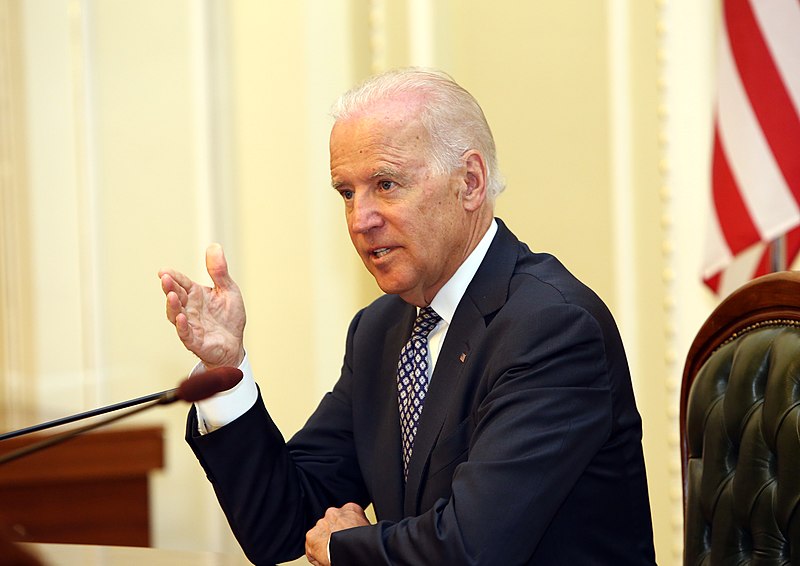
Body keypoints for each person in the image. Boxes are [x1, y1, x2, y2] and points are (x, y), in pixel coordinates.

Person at [159, 68, 656, 565]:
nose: (360, 219)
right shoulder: (381, 331)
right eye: (347, 193)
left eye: (386, 184)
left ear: (470, 183)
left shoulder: (552, 328)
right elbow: (282, 524)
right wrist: (227, 372)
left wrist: (344, 547)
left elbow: (471, 549)